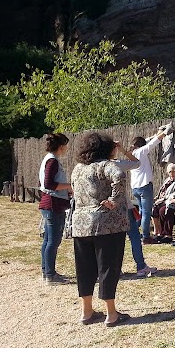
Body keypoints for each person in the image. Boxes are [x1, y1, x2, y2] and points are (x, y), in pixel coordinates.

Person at [71, 132, 131, 326]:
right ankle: (111, 314)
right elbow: (120, 176)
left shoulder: (78, 169)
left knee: (85, 269)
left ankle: (86, 312)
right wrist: (114, 200)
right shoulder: (106, 166)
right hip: (107, 224)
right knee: (108, 267)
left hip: (80, 224)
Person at [112, 144, 157, 278]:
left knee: (115, 240)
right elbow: (136, 162)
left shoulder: (93, 166)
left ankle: (115, 268)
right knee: (134, 237)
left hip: (108, 208)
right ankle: (140, 266)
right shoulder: (116, 164)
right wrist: (123, 150)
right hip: (124, 205)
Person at [38, 133, 72, 285]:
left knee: (48, 240)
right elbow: (49, 184)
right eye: (65, 145)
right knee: (53, 240)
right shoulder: (52, 161)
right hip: (52, 203)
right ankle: (50, 275)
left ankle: (47, 271)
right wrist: (70, 186)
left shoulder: (49, 159)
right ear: (61, 146)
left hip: (50, 202)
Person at [130, 128, 167, 243]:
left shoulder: (132, 154)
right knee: (146, 212)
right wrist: (165, 132)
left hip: (135, 187)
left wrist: (155, 135)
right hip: (144, 185)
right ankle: (146, 236)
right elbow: (153, 143)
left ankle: (134, 232)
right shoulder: (141, 152)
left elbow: (148, 140)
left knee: (141, 211)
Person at [148, 163, 175, 244]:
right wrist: (157, 197)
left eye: (174, 172)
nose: (172, 174)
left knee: (163, 211)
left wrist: (164, 199)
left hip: (172, 201)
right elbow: (162, 191)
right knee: (155, 209)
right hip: (163, 200)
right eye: (170, 172)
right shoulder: (167, 180)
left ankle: (168, 234)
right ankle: (159, 232)